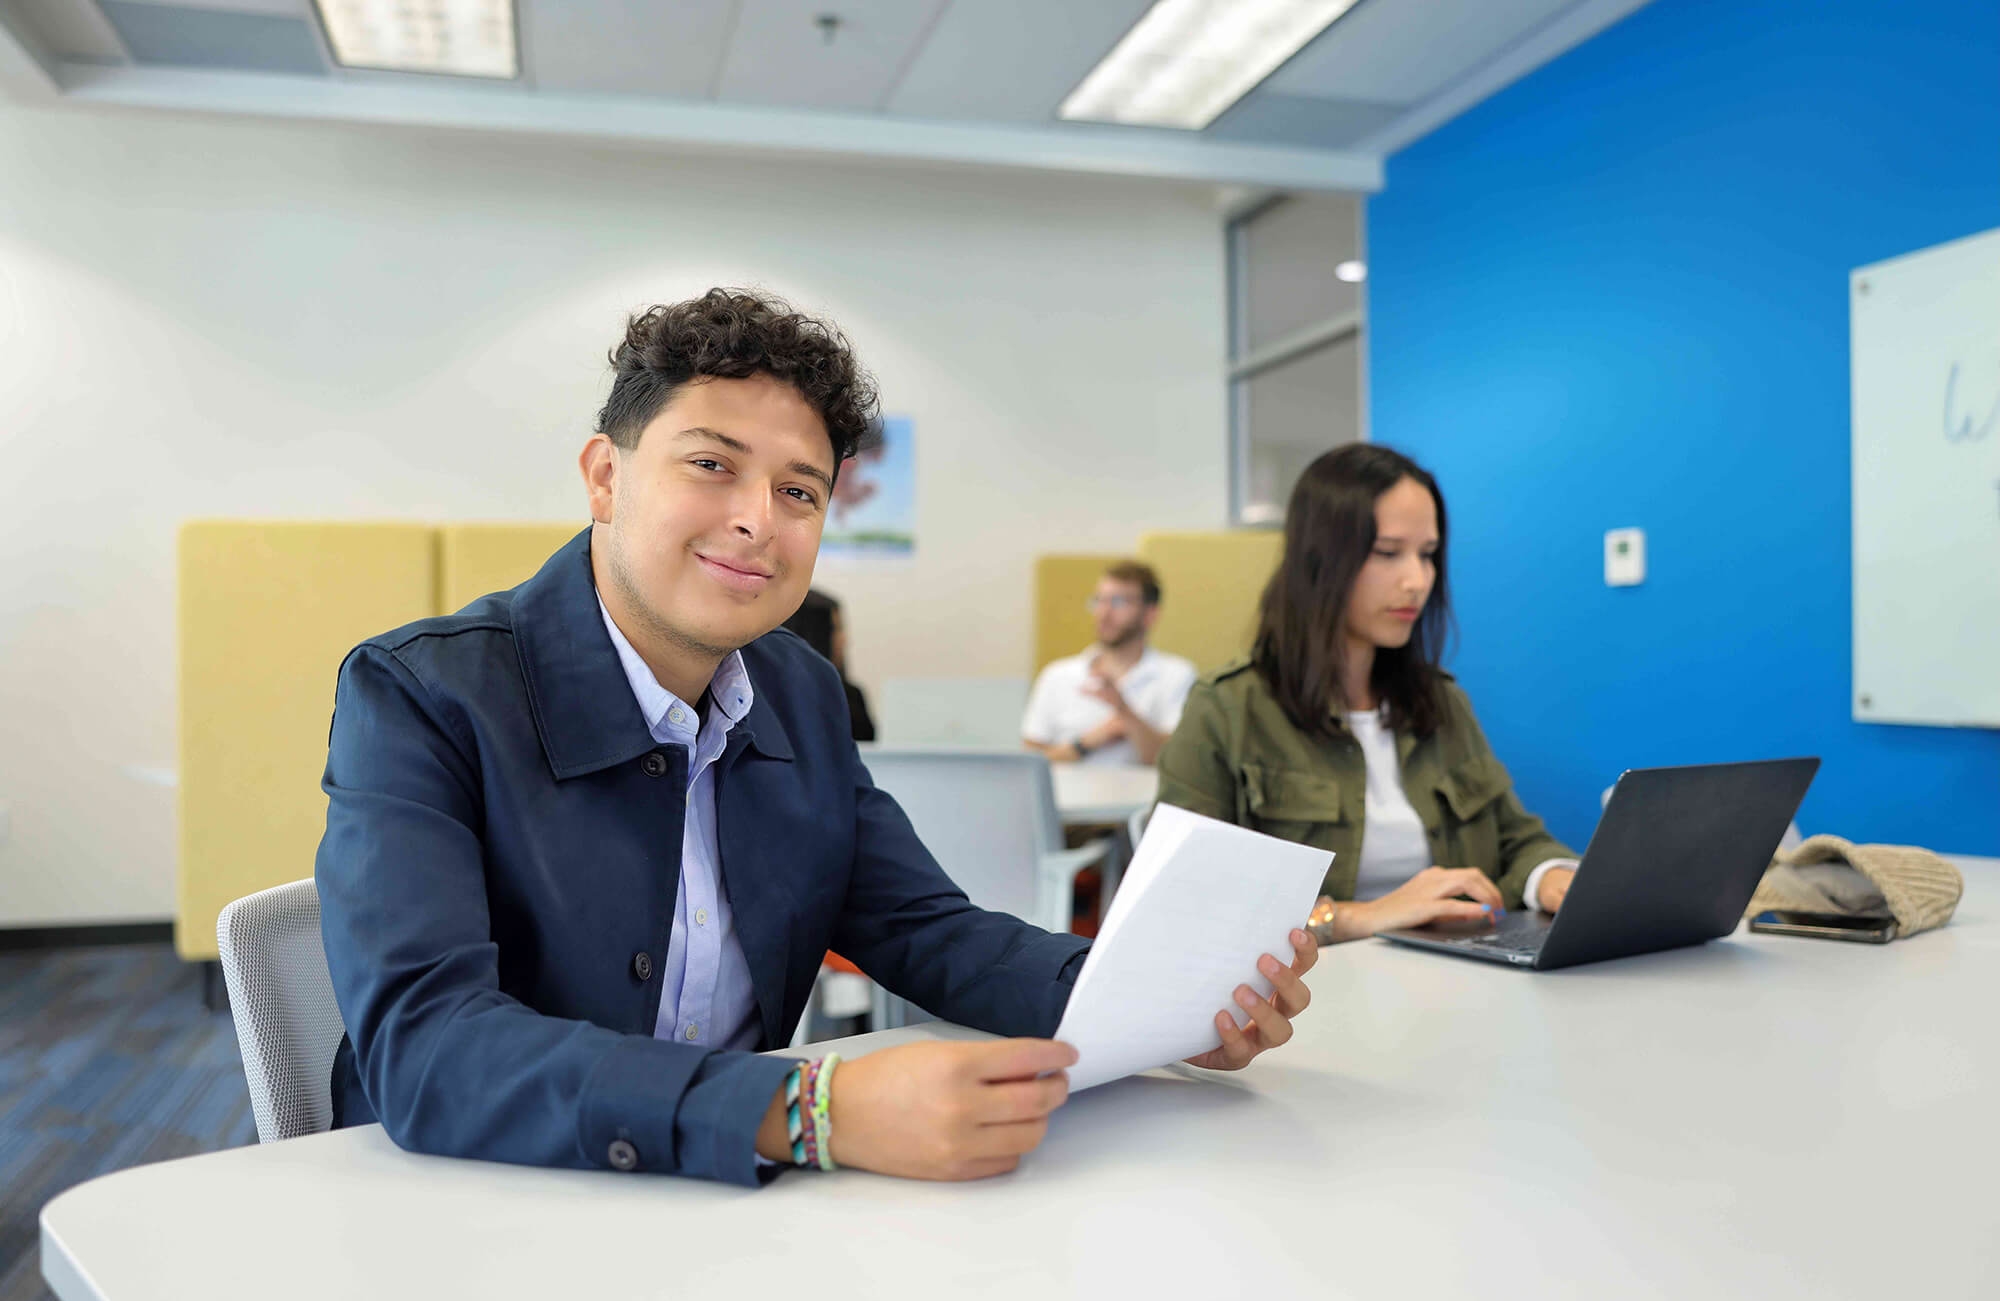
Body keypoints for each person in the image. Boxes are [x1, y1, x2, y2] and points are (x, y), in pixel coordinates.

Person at [316, 289, 1317, 1188]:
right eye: (711, 465)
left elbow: (924, 928)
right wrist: (808, 1111)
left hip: (730, 1209)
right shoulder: (421, 692)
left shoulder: (796, 689)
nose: (758, 519)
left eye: (799, 491)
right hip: (474, 1201)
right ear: (603, 477)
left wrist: (1150, 1003)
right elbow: (428, 1047)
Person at [1156, 443, 1580, 945]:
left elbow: (1516, 839)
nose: (1417, 580)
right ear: (1320, 560)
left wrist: (1552, 876)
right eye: (1388, 553)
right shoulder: (1225, 709)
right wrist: (1359, 917)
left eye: (1427, 555)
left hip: (1453, 977)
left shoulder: (1442, 703)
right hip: (1302, 1000)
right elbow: (1185, 899)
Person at [1021, 561, 1197, 766]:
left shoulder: (1177, 675)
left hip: (1139, 798)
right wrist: (1089, 741)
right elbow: (1029, 763)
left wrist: (1125, 712)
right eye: (1099, 601)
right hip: (1068, 797)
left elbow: (1177, 763)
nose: (1104, 613)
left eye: (1118, 602)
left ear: (1150, 614)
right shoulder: (1057, 675)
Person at [782, 588, 875, 741]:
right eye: (836, 629)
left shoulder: (851, 697)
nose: (844, 640)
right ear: (813, 633)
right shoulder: (760, 698)